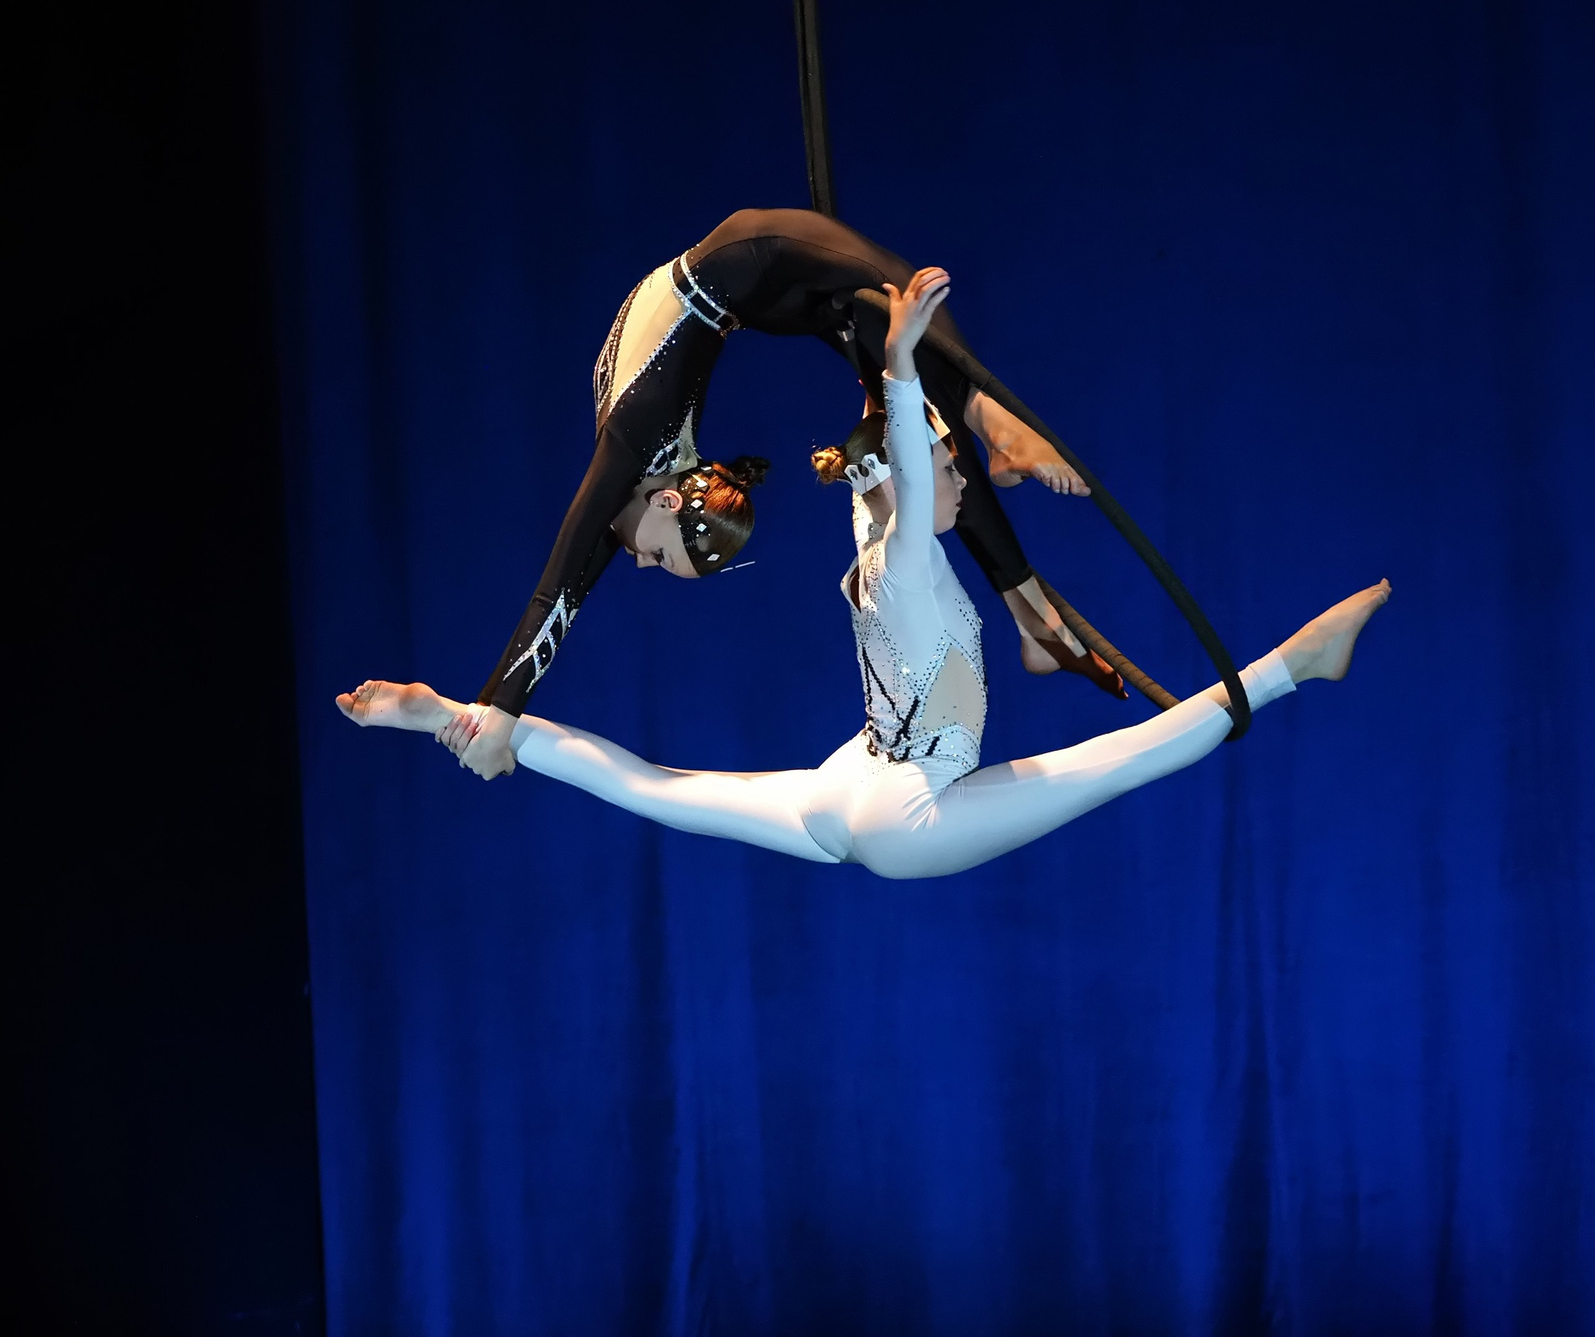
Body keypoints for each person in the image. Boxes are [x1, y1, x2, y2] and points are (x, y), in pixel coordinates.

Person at [343, 269, 1391, 880]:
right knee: (1116, 761)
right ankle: (1293, 666)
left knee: (658, 790)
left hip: (854, 784)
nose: (962, 488)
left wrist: (889, 378)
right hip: (902, 803)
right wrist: (895, 363)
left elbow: (883, 463)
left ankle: (457, 717)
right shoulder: (900, 564)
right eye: (953, 472)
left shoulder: (874, 541)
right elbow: (902, 458)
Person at [450, 208, 1118, 783]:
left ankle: (997, 437)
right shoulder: (644, 478)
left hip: (754, 257)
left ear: (669, 503)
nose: (636, 561)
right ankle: (1030, 607)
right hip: (758, 297)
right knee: (908, 379)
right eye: (658, 559)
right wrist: (495, 716)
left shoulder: (632, 444)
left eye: (657, 557)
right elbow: (567, 594)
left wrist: (498, 716)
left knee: (900, 309)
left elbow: (559, 585)